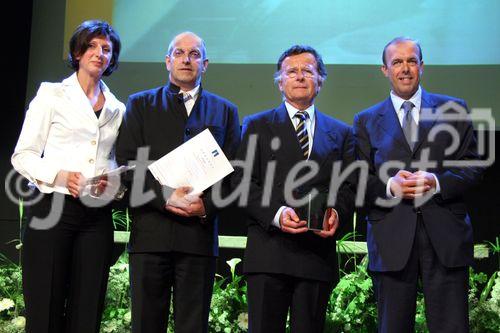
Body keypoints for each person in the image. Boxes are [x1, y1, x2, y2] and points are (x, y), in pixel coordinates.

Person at [353, 37, 483, 332]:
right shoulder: (365, 120)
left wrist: (436, 182)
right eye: (397, 62)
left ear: (422, 67)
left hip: (445, 238)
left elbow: (472, 165)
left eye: (412, 61)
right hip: (392, 240)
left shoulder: (454, 109)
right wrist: (390, 187)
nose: (405, 68)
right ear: (384, 70)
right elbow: (358, 179)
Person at [115, 31, 240, 333]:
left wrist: (206, 206)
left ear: (205, 63)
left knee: (193, 326)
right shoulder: (140, 104)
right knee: (146, 325)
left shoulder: (225, 110)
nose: (187, 59)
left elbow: (236, 174)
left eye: (194, 54)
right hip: (150, 237)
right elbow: (128, 164)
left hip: (198, 239)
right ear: (167, 61)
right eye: (179, 53)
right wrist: (166, 196)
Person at [11, 20, 124, 333]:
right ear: (77, 52)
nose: (98, 53)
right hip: (51, 209)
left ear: (112, 59)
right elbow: (23, 155)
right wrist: (60, 176)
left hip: (96, 217)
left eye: (106, 49)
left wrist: (110, 184)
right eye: (91, 46)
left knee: (87, 310)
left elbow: (113, 160)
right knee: (45, 309)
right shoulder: (51, 95)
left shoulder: (118, 108)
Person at [232, 45, 355, 333]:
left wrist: (337, 211)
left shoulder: (341, 133)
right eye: (292, 71)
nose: (300, 77)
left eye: (308, 71)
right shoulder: (256, 125)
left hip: (316, 256)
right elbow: (240, 182)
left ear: (321, 80)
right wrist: (276, 213)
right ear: (279, 81)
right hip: (268, 253)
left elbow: (349, 186)